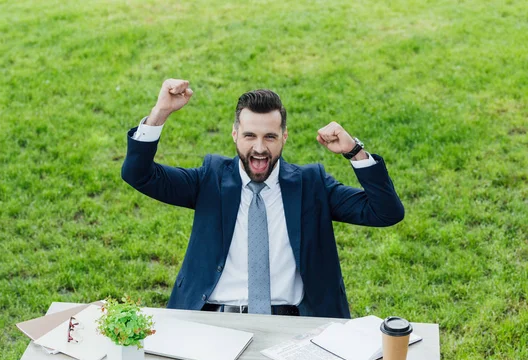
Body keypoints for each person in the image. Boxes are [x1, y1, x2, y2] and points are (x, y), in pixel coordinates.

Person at [121, 79, 404, 318]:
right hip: (215, 319)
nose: (259, 148)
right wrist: (159, 113)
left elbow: (385, 212)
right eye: (249, 136)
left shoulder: (311, 184)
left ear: (284, 137)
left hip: (294, 324)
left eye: (270, 137)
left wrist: (355, 152)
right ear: (235, 135)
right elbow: (138, 174)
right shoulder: (210, 179)